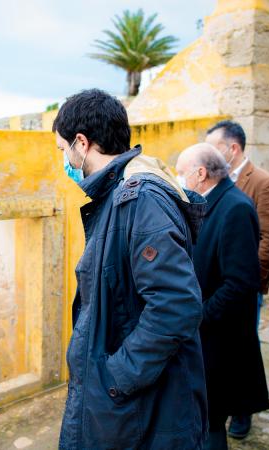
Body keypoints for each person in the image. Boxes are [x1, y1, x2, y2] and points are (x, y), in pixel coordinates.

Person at [55, 89, 208, 450]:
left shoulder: (140, 200)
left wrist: (117, 375)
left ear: (82, 142)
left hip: (142, 404)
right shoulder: (121, 196)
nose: (64, 160)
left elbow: (176, 305)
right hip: (130, 401)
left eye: (63, 150)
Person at [176, 144, 269, 450]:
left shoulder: (235, 208)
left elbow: (241, 282)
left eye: (181, 172)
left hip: (219, 339)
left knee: (210, 422)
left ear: (200, 174)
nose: (179, 179)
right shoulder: (208, 202)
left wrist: (198, 316)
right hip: (206, 337)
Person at [204, 120, 269, 439]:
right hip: (219, 284)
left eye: (214, 147)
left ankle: (242, 411)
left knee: (241, 347)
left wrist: (248, 278)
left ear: (232, 149)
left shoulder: (263, 183)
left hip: (242, 286)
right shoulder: (214, 180)